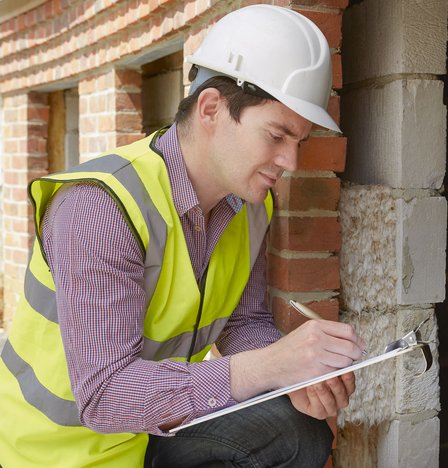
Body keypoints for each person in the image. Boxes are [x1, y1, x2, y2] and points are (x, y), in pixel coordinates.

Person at [0, 5, 366, 467]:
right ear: (211, 108)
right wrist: (269, 366)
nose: (290, 162)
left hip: (151, 432)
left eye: (300, 141)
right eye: (276, 135)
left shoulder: (251, 207)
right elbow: (105, 396)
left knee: (297, 431)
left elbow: (242, 323)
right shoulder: (99, 208)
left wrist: (293, 380)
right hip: (54, 453)